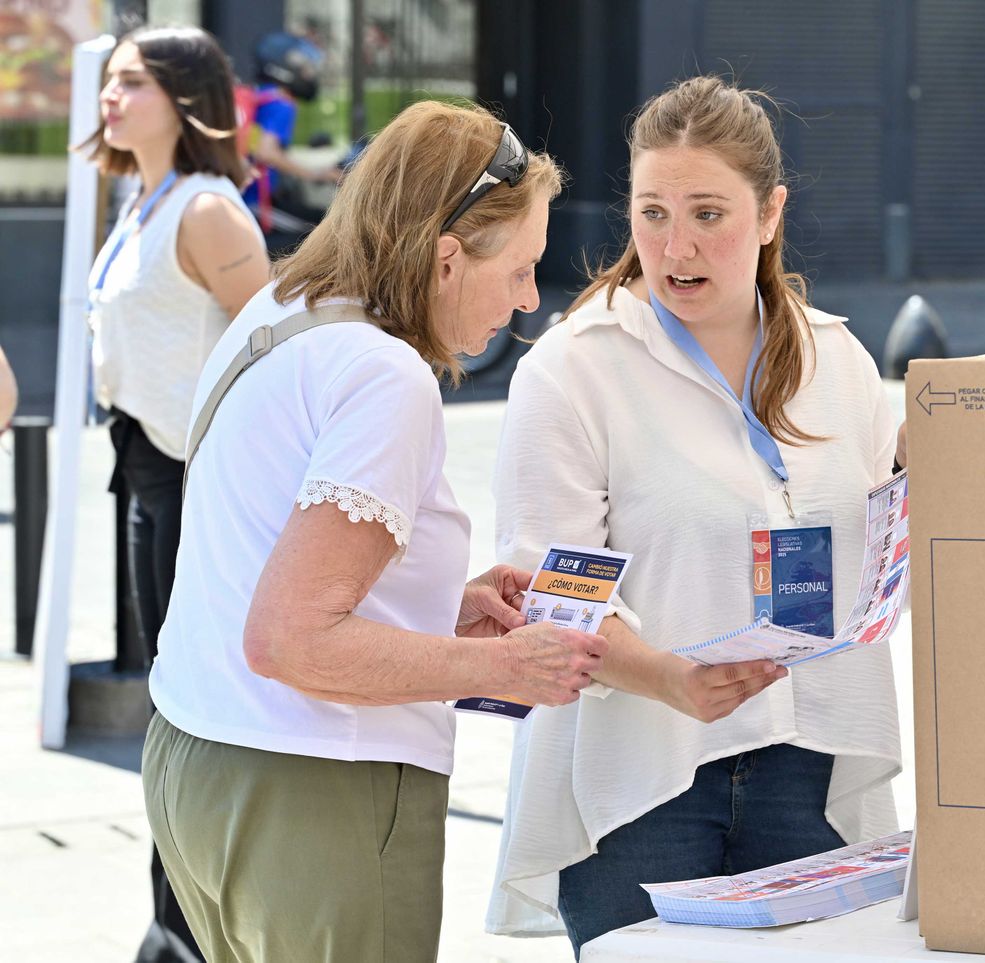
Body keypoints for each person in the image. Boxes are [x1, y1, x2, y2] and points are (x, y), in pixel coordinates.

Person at [141, 98, 604, 963]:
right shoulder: (386, 372)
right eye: (522, 269)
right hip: (317, 792)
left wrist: (439, 603)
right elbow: (290, 639)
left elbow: (261, 543)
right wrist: (502, 665)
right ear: (445, 257)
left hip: (199, 762)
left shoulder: (283, 306)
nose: (530, 300)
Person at [488, 75, 903, 955]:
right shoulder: (575, 368)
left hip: (812, 764)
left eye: (709, 213)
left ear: (770, 211)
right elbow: (549, 591)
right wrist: (667, 677)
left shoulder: (839, 358)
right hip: (644, 775)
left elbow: (878, 544)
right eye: (653, 213)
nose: (676, 246)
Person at [80, 26, 270, 963]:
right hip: (142, 471)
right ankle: (175, 927)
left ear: (185, 96)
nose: (110, 98)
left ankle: (189, 932)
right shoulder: (141, 199)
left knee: (190, 713)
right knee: (171, 713)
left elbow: (274, 347)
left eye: (130, 82)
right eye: (109, 82)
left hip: (193, 480)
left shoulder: (205, 209)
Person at [241, 31, 341, 255]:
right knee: (321, 235)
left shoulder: (263, 95)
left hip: (251, 197)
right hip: (256, 203)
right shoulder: (282, 102)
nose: (308, 74)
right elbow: (267, 152)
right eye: (303, 68)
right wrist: (316, 174)